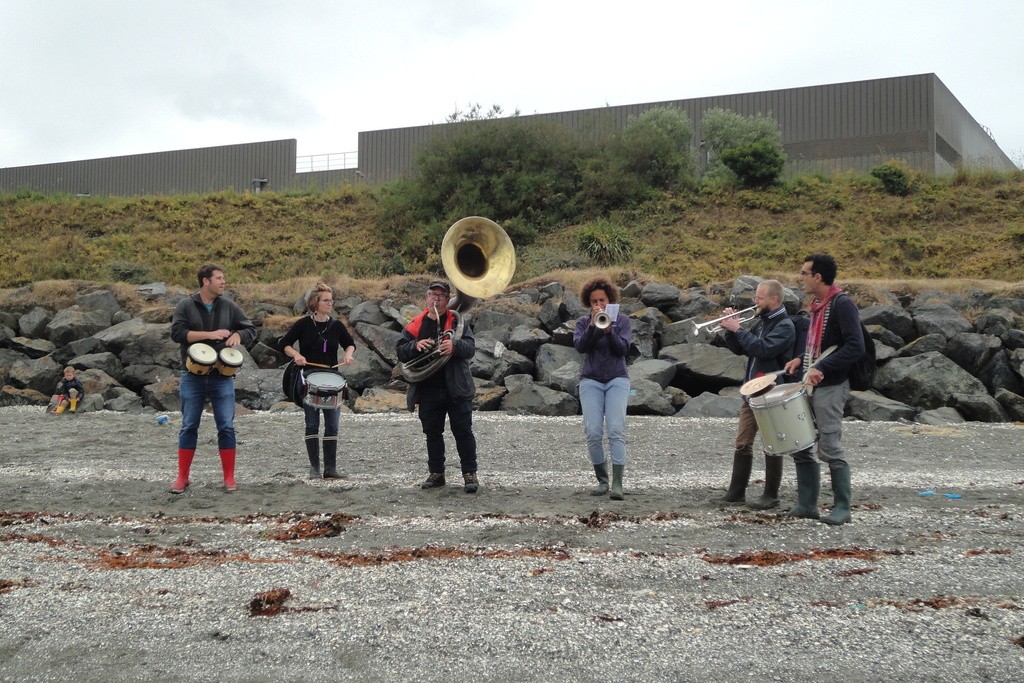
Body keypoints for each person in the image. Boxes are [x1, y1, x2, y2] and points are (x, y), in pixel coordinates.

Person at [783, 254, 866, 525]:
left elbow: (856, 346)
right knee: (801, 442)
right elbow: (815, 347)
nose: (800, 277)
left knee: (829, 445)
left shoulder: (842, 305)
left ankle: (843, 506)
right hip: (809, 384)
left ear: (818, 277)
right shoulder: (817, 305)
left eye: (804, 273)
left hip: (830, 385)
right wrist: (802, 360)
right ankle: (807, 504)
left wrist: (823, 367)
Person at [169, 263, 257, 494]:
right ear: (205, 281)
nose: (223, 282)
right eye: (219, 278)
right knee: (189, 426)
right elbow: (177, 334)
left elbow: (250, 329)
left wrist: (238, 334)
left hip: (222, 376)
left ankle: (229, 478)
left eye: (223, 278)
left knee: (226, 426)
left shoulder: (228, 305)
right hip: (192, 375)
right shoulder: (185, 305)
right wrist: (210, 335)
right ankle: (182, 478)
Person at [717, 280, 797, 509]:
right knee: (742, 442)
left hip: (771, 392)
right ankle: (736, 491)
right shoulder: (762, 322)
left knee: (772, 443)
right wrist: (731, 330)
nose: (755, 301)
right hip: (751, 392)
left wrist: (738, 329)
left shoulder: (784, 325)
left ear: (773, 299)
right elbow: (742, 348)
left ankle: (771, 495)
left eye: (759, 298)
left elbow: (763, 349)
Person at [397, 280, 480, 493]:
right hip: (428, 388)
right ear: (426, 298)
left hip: (456, 387)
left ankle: (469, 474)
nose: (437, 298)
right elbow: (400, 350)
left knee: (463, 431)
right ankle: (436, 474)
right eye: (433, 294)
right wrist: (416, 346)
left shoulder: (457, 321)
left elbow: (470, 348)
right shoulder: (416, 323)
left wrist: (455, 345)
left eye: (442, 295)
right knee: (432, 432)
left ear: (447, 299)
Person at [279, 283, 356, 479]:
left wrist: (348, 355)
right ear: (315, 303)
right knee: (312, 424)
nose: (330, 303)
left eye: (331, 300)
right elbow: (284, 343)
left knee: (332, 425)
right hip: (308, 378)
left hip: (331, 378)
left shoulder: (336, 325)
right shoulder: (303, 324)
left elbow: (350, 344)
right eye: (326, 300)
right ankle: (314, 469)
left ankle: (330, 469)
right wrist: (296, 355)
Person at [573, 277, 632, 500]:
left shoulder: (623, 321)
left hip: (617, 378)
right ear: (589, 303)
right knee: (593, 431)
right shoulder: (582, 322)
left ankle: (617, 483)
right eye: (594, 302)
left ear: (610, 300)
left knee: (616, 429)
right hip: (591, 380)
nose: (598, 305)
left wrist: (609, 331)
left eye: (602, 301)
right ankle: (602, 480)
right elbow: (580, 346)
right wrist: (592, 327)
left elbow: (623, 349)